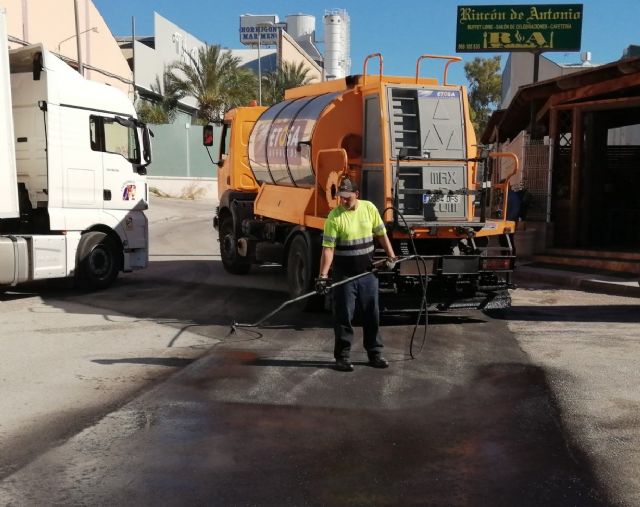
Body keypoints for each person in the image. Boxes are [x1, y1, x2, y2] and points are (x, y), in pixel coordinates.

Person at [316, 178, 397, 372]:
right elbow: (328, 249)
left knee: (372, 314)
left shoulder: (369, 209)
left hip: (368, 273)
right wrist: (323, 276)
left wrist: (391, 256)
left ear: (357, 194)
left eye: (347, 197)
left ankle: (374, 353)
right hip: (344, 276)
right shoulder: (334, 218)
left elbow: (381, 234)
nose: (343, 201)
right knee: (344, 316)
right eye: (340, 198)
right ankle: (342, 357)